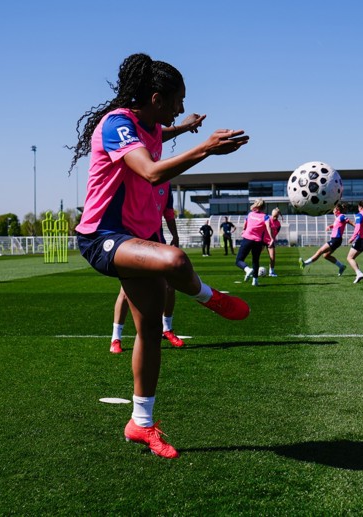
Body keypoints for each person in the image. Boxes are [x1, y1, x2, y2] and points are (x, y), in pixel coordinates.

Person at [71, 52, 250, 459]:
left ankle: (141, 424)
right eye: (177, 101)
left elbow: (158, 136)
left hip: (137, 232)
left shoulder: (149, 123)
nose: (181, 108)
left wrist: (183, 130)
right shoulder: (118, 125)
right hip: (104, 236)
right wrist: (204, 148)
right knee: (175, 261)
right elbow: (150, 171)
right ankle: (209, 297)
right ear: (155, 98)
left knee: (150, 330)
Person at [111, 183, 185, 352]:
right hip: (131, 240)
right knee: (125, 291)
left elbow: (168, 211)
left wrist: (175, 235)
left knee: (169, 286)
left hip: (156, 239)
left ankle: (167, 328)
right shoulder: (134, 177)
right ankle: (116, 338)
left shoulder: (166, 184)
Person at [299, 204, 351, 276]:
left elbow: (349, 221)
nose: (333, 210)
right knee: (326, 256)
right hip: (336, 240)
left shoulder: (342, 216)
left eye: (334, 209)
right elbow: (337, 225)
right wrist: (330, 226)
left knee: (320, 251)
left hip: (336, 240)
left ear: (338, 210)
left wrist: (358, 227)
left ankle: (305, 263)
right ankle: (341, 266)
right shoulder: (338, 217)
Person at [236, 199, 275, 286]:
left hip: (247, 239)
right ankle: (255, 281)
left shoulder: (250, 214)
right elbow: (268, 227)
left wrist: (243, 230)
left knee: (239, 260)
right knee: (255, 260)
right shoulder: (265, 216)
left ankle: (247, 269)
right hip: (258, 241)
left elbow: (245, 224)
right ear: (263, 207)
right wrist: (271, 238)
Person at [264, 208, 283, 277]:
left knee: (272, 257)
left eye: (277, 216)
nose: (275, 217)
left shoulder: (278, 224)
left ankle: (271, 272)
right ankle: (254, 271)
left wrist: (273, 240)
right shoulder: (267, 219)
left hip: (270, 241)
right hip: (262, 240)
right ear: (272, 215)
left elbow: (275, 233)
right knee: (256, 256)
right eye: (274, 216)